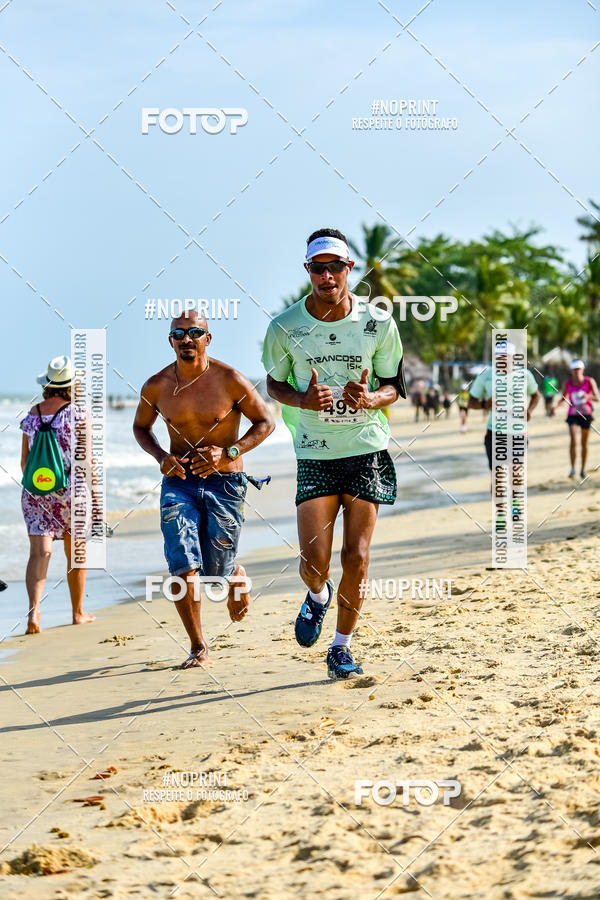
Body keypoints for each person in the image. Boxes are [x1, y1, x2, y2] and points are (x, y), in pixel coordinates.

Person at [262, 227, 404, 680]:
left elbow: (393, 387)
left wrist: (370, 399)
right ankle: (318, 597)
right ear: (308, 271)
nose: (327, 276)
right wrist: (303, 400)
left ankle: (341, 648)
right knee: (314, 563)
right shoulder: (284, 327)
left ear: (349, 269)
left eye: (335, 267)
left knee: (356, 556)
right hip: (315, 450)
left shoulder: (377, 322)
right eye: (318, 269)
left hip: (365, 449)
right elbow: (274, 383)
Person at [133, 312, 274, 668]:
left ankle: (234, 576)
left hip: (225, 482)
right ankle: (198, 647)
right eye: (179, 334)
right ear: (170, 341)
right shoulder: (157, 386)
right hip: (178, 482)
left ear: (207, 339)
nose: (187, 339)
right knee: (183, 564)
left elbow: (266, 421)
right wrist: (161, 455)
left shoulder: (229, 380)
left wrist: (229, 452)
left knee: (215, 572)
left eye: (195, 332)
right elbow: (141, 427)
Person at [20, 356, 96, 634]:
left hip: (37, 492)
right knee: (75, 552)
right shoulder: (80, 413)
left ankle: (34, 613)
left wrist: (41, 486)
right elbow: (86, 460)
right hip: (72, 491)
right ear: (71, 385)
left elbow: (24, 463)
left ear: (47, 384)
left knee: (40, 552)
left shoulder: (32, 415)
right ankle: (77, 613)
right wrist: (94, 495)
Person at [468, 342, 539, 474]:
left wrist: (529, 411)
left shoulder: (525, 374)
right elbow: (471, 402)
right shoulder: (486, 375)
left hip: (518, 432)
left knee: (515, 473)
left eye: (505, 357)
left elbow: (536, 396)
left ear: (513, 357)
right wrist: (484, 405)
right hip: (494, 432)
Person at [556, 359, 599, 479]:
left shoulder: (589, 381)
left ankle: (582, 469)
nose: (576, 372)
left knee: (584, 443)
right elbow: (564, 398)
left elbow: (597, 397)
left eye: (578, 369)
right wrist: (555, 408)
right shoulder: (568, 383)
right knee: (573, 440)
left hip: (586, 414)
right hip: (572, 415)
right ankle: (572, 468)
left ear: (582, 370)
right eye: (574, 370)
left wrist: (588, 395)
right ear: (571, 371)